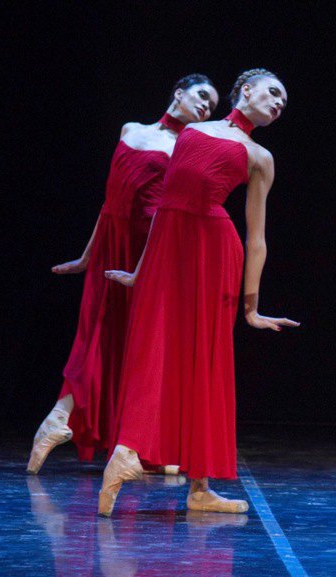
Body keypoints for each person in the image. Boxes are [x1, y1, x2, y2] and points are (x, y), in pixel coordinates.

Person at [98, 69, 298, 517]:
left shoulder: (259, 155)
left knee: (204, 361)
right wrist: (140, 270)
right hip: (171, 249)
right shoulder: (192, 131)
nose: (278, 103)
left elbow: (257, 237)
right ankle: (129, 450)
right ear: (245, 90)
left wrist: (252, 306)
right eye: (273, 92)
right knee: (154, 352)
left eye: (283, 102)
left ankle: (200, 486)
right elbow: (165, 204)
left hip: (214, 253)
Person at [28, 75, 219, 474]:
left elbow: (170, 209)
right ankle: (70, 422)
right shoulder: (130, 129)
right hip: (115, 245)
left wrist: (142, 266)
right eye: (202, 96)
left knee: (138, 345)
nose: (206, 107)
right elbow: (110, 200)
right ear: (178, 92)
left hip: (151, 251)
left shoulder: (186, 146)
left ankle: (113, 436)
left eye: (213, 106)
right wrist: (87, 257)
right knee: (101, 334)